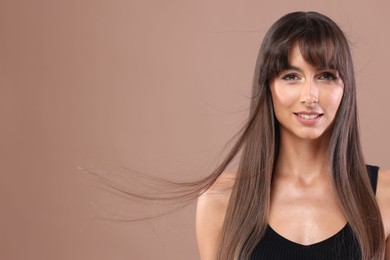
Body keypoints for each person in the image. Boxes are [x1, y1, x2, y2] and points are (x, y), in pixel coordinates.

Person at [195, 11, 390, 260]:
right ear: (268, 87)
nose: (309, 97)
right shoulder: (218, 199)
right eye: (291, 77)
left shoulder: (384, 194)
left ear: (346, 88)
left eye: (326, 76)